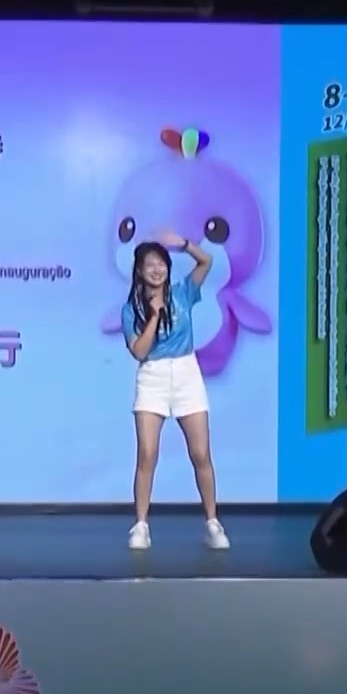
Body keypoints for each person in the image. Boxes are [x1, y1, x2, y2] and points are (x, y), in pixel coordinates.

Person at [120, 234, 229, 551]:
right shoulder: (131, 310)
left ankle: (212, 522)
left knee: (200, 453)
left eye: (161, 264)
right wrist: (154, 315)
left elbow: (206, 261)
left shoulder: (183, 292)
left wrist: (183, 244)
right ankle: (141, 526)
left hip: (186, 373)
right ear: (139, 271)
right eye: (149, 265)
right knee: (147, 454)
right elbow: (139, 351)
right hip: (152, 376)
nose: (157, 270)